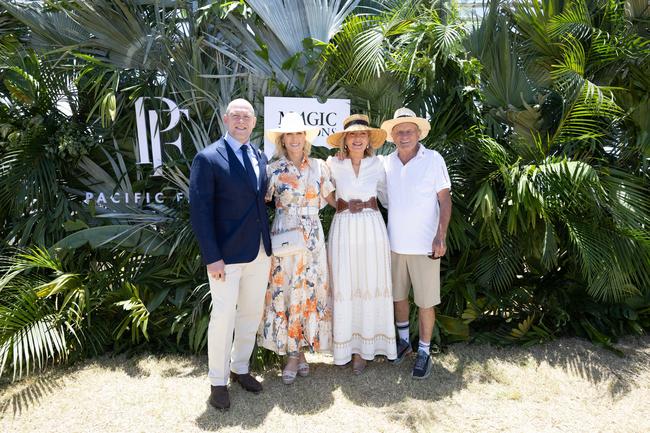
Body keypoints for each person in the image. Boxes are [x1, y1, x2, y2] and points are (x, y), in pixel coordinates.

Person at [189, 98, 272, 410]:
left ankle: (240, 369)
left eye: (247, 117)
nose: (242, 121)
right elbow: (199, 212)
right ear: (225, 119)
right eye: (236, 116)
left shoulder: (260, 155)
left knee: (250, 314)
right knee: (223, 318)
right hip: (225, 256)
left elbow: (260, 201)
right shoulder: (208, 158)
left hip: (259, 252)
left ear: (253, 122)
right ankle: (218, 381)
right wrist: (212, 257)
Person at [257, 112, 335, 385]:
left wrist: (363, 205)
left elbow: (333, 199)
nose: (294, 139)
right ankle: (292, 354)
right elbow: (259, 204)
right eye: (289, 134)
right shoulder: (273, 170)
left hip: (313, 237)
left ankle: (300, 352)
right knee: (287, 291)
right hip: (285, 236)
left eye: (298, 133)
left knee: (309, 292)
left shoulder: (321, 167)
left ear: (305, 138)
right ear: (282, 139)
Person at [380, 107, 452, 380]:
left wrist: (440, 235)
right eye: (399, 131)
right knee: (398, 297)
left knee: (425, 302)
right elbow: (383, 197)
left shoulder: (433, 159)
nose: (404, 135)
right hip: (395, 244)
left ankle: (423, 351)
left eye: (409, 130)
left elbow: (445, 200)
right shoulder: (387, 163)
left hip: (426, 246)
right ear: (393, 136)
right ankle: (403, 344)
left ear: (419, 132)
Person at [326, 114, 397, 374]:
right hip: (344, 227)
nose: (357, 139)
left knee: (370, 282)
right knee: (346, 283)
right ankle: (347, 347)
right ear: (344, 140)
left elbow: (389, 197)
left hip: (372, 228)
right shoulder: (332, 163)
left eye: (362, 134)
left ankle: (365, 350)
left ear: (369, 140)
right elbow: (321, 189)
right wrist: (340, 204)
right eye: (352, 135)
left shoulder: (378, 164)